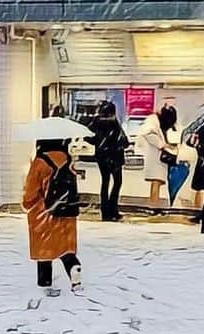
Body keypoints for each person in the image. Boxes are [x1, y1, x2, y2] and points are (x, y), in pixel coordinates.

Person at [23, 138, 83, 296]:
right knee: (65, 247)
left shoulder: (40, 161)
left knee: (44, 249)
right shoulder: (67, 159)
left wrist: (27, 203)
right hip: (66, 210)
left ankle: (45, 282)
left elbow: (31, 190)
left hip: (44, 212)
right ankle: (73, 267)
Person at [89, 101, 128, 221]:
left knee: (105, 183)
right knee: (117, 182)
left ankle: (105, 212)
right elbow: (124, 141)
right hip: (115, 157)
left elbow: (88, 137)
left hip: (102, 157)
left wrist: (99, 144)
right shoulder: (114, 123)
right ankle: (113, 210)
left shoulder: (95, 123)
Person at [136, 103, 178, 208]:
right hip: (155, 157)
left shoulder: (156, 122)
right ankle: (154, 205)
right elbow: (148, 134)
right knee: (156, 180)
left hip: (157, 156)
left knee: (157, 181)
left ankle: (154, 204)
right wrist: (162, 145)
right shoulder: (152, 123)